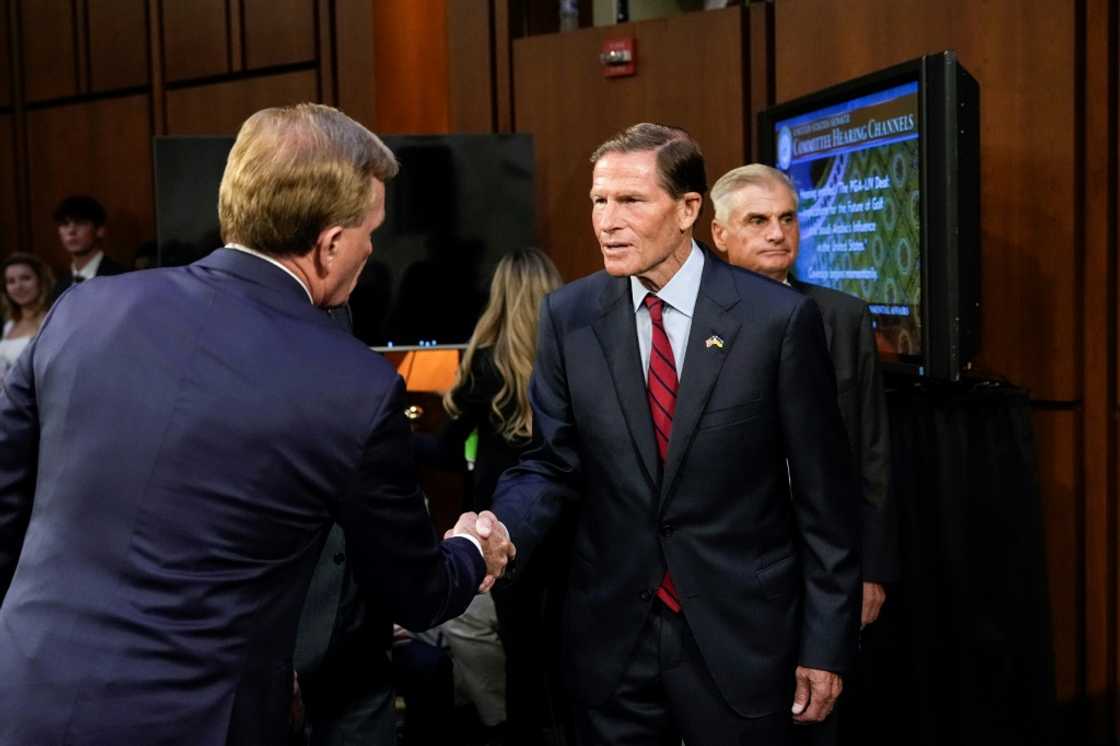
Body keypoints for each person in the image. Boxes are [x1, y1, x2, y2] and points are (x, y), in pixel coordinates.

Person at [0, 103, 513, 746]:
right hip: (203, 722)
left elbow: (6, 507)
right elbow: (416, 591)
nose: (372, 248)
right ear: (329, 244)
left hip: (27, 695)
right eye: (370, 231)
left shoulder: (82, 311)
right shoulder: (352, 385)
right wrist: (472, 548)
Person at [492, 122, 861, 746]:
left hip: (741, 636)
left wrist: (826, 643)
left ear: (690, 208)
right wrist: (501, 529)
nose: (607, 221)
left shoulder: (778, 321)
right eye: (598, 201)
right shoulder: (568, 316)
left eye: (630, 201)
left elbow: (827, 497)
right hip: (612, 640)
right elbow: (551, 464)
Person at [710, 163, 897, 745]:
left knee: (818, 718)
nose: (777, 233)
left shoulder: (840, 317)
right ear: (718, 234)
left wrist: (871, 568)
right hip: (726, 566)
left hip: (821, 563)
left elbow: (871, 451)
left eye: (787, 218)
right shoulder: (693, 320)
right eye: (758, 220)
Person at [421, 248, 568, 744]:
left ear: (499, 295)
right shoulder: (572, 354)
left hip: (499, 526)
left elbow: (443, 451)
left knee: (520, 652)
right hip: (565, 526)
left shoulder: (486, 363)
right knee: (560, 652)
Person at [49, 194, 127, 300]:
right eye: (65, 224)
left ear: (100, 230)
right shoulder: (60, 286)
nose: (71, 231)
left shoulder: (120, 277)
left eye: (80, 223)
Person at [0, 253, 53, 377]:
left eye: (25, 278)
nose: (18, 286)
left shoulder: (50, 321)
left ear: (40, 281)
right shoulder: (9, 324)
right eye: (11, 281)